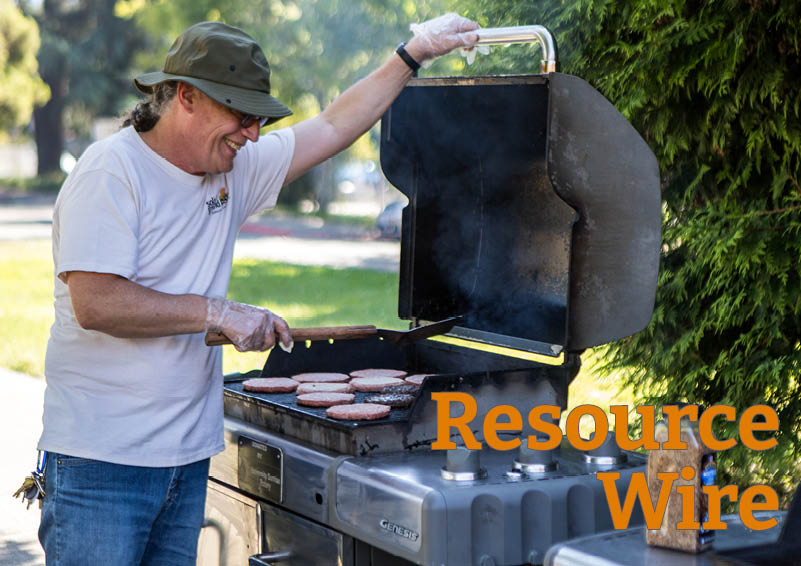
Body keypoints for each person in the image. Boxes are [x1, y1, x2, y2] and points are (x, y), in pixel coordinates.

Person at [36, 13, 478, 566]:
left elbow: (337, 124)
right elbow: (96, 302)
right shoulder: (112, 171)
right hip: (102, 463)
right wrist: (218, 312)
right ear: (186, 97)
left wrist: (413, 53)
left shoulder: (232, 169)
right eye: (242, 116)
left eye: (259, 119)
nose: (253, 134)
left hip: (186, 456)